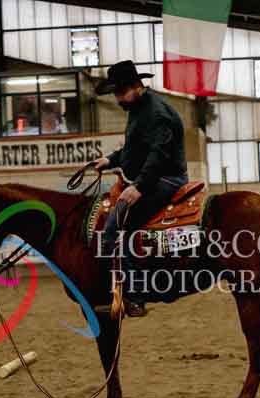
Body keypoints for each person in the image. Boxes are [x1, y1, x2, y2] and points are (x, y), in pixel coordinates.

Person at [92, 60, 188, 317]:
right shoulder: (139, 109)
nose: (118, 99)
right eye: (116, 93)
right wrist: (111, 159)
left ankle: (135, 296)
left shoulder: (156, 114)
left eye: (121, 92)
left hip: (167, 179)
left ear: (136, 86)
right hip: (156, 177)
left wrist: (139, 187)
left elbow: (158, 155)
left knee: (118, 225)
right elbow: (134, 149)